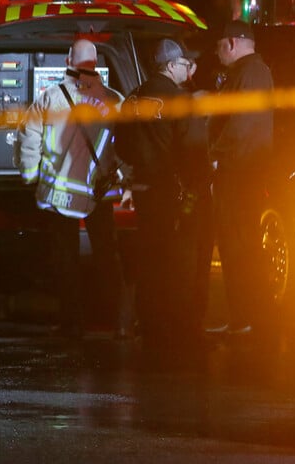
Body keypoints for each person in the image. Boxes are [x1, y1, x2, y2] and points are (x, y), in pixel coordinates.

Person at [15, 38, 129, 337]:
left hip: (58, 194)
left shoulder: (51, 97)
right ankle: (117, 320)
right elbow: (128, 146)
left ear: (68, 60)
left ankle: (71, 323)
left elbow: (29, 138)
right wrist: (126, 179)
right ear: (96, 63)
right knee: (108, 256)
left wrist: (29, 176)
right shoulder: (114, 100)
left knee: (65, 259)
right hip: (98, 193)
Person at [115, 39, 210, 345]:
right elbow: (193, 151)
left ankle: (149, 321)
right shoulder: (181, 101)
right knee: (176, 258)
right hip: (173, 191)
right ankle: (175, 326)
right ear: (171, 66)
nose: (187, 69)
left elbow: (121, 143)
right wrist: (196, 188)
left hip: (144, 188)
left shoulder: (133, 98)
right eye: (184, 64)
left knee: (148, 254)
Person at [207, 20, 275, 337]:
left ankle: (248, 317)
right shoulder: (253, 73)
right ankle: (246, 317)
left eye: (219, 45)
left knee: (239, 246)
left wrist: (215, 154)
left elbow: (239, 123)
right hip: (243, 172)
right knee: (240, 246)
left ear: (231, 43)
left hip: (239, 174)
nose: (217, 52)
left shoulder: (249, 73)